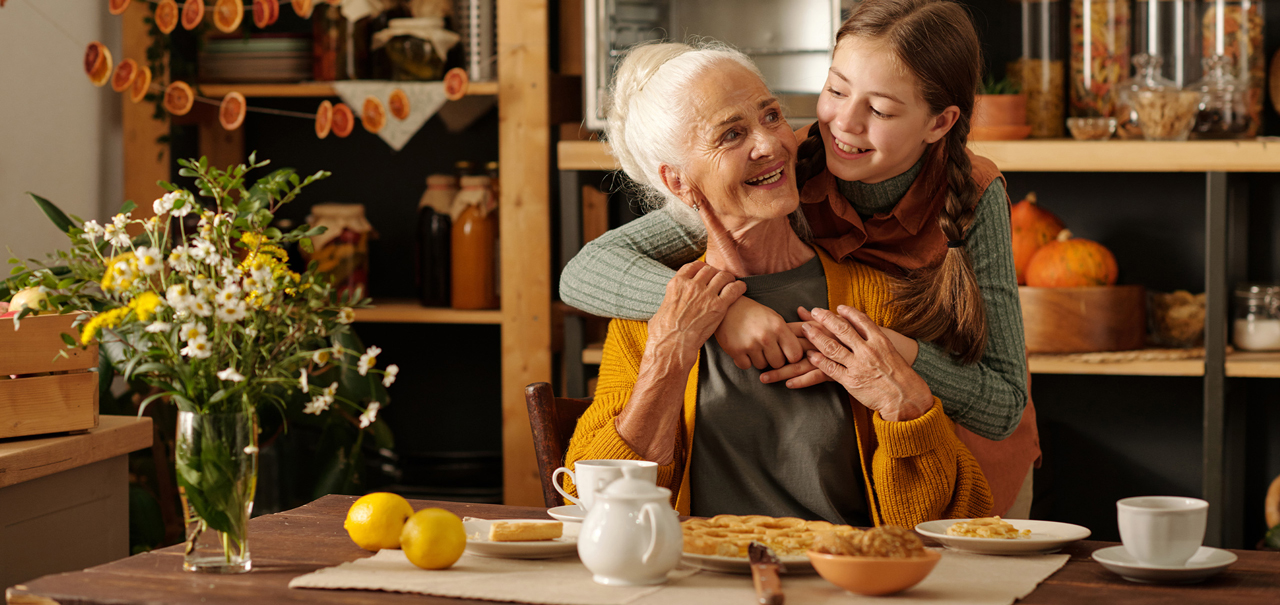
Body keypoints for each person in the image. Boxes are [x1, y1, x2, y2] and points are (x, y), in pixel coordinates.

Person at [559, 0, 1039, 517]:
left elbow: (1000, 409)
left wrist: (897, 365)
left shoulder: (969, 198)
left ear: (940, 123)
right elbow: (589, 267)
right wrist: (721, 313)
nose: (842, 124)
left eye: (879, 110)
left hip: (963, 437)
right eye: (834, 90)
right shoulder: (800, 158)